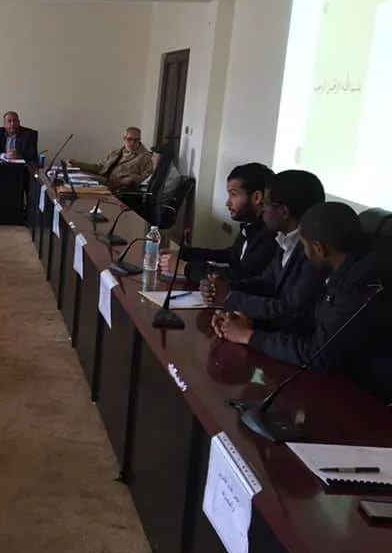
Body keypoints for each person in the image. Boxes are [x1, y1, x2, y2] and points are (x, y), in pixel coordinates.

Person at [214, 202, 392, 403]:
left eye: (304, 245)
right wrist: (252, 325)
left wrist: (249, 336)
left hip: (370, 397)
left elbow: (319, 354)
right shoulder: (350, 267)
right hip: (346, 377)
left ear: (319, 249)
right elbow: (315, 319)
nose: (303, 252)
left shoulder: (364, 283)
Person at [203, 170, 327, 320]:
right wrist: (224, 287)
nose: (262, 210)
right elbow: (266, 282)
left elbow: (289, 309)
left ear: (284, 212)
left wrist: (229, 297)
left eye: (265, 204)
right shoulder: (284, 240)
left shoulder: (313, 254)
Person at [165, 163, 277, 284]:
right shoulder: (251, 226)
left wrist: (184, 268)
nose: (228, 203)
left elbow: (241, 277)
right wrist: (184, 254)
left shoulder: (270, 235)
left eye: (233, 195)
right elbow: (231, 255)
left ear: (257, 197)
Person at [69, 127, 153, 189]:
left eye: (136, 140)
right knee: (77, 177)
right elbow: (99, 167)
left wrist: (132, 179)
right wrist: (77, 164)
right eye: (129, 139)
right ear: (124, 139)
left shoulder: (145, 157)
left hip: (119, 186)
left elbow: (148, 177)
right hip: (103, 180)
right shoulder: (116, 153)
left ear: (139, 140)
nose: (132, 143)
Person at [119, 143, 181, 214]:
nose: (152, 159)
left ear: (161, 158)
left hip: (152, 208)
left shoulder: (171, 174)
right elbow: (144, 185)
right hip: (145, 200)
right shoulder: (161, 170)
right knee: (122, 193)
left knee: (123, 197)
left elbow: (156, 195)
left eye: (154, 156)